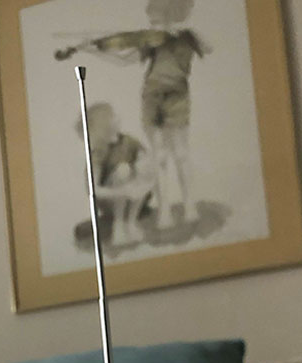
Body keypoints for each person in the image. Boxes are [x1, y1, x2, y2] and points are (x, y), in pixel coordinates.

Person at [56, 0, 210, 230]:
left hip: (178, 96)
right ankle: (164, 211)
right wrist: (90, 47)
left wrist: (179, 33)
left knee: (181, 153)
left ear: (171, 14)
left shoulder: (188, 36)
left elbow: (209, 48)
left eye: (156, 18)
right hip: (151, 97)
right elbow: (123, 58)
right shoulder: (149, 40)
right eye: (152, 19)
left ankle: (190, 207)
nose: (151, 23)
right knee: (159, 156)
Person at [77, 102, 155, 246]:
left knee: (143, 167)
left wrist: (142, 166)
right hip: (111, 200)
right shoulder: (99, 152)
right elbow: (93, 189)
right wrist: (122, 191)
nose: (118, 117)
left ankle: (131, 222)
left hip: (134, 195)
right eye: (112, 115)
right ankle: (118, 226)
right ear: (104, 124)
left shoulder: (128, 141)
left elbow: (146, 159)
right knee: (123, 170)